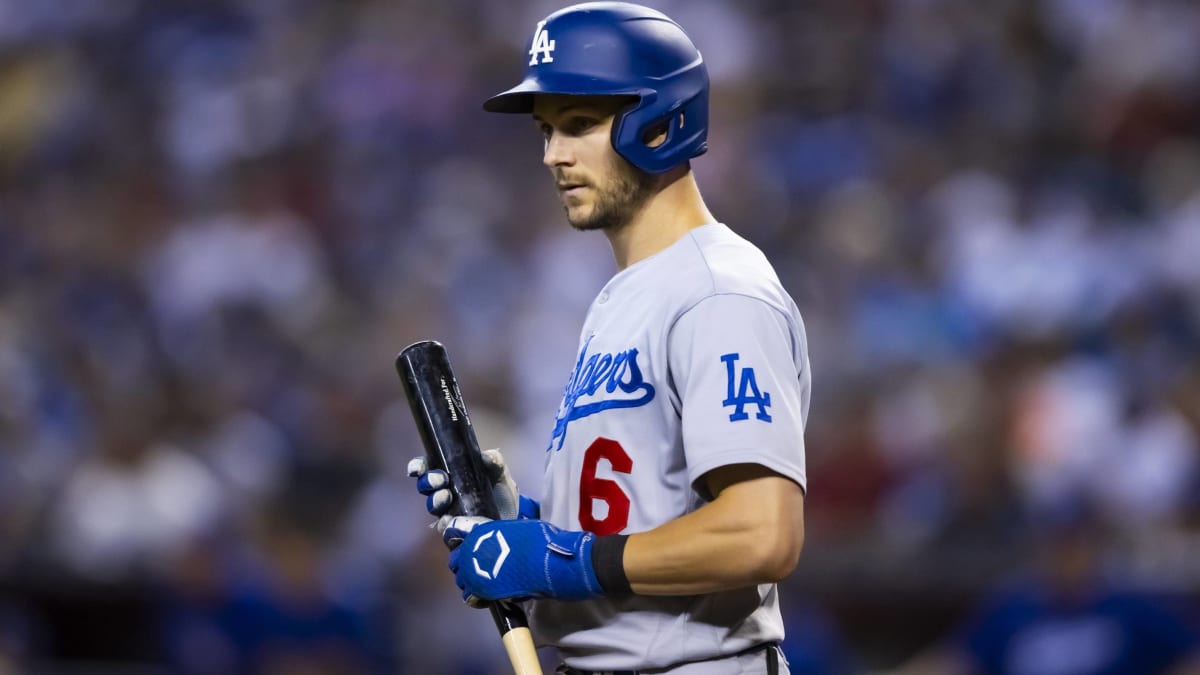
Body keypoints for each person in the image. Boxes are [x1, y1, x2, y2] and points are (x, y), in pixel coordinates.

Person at [408, 3, 810, 673]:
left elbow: (762, 532)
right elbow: (646, 509)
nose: (553, 155)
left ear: (661, 121)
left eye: (580, 124)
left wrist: (558, 558)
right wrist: (526, 520)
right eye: (545, 131)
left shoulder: (718, 289)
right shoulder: (623, 295)